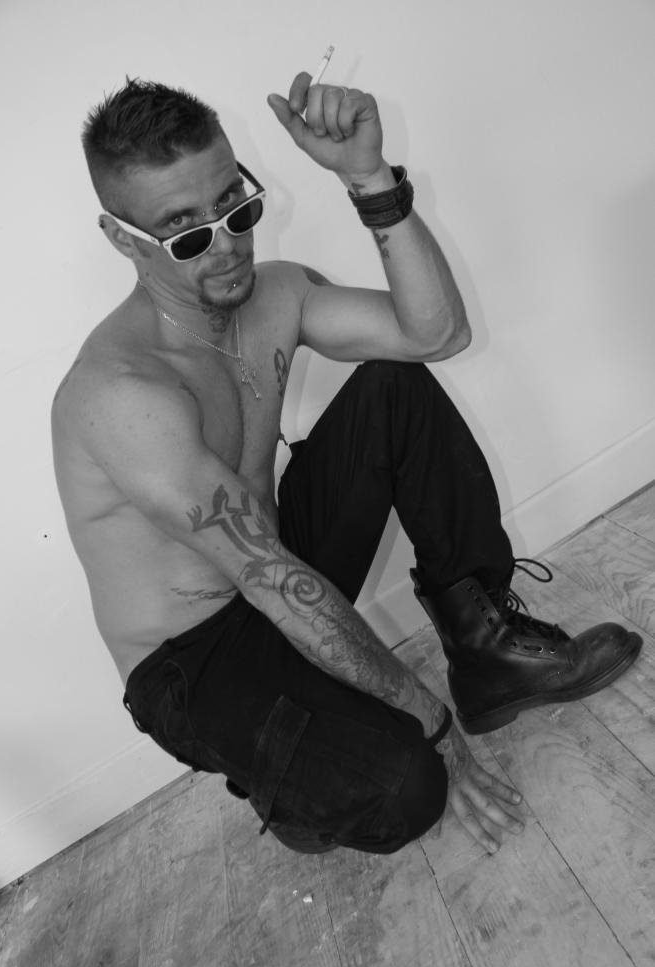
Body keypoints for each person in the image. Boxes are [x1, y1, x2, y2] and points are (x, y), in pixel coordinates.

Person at [52, 72, 642, 858]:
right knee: (409, 787)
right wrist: (430, 725)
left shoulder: (275, 294)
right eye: (185, 234)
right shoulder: (123, 392)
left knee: (393, 386)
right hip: (197, 658)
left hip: (271, 562)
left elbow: (436, 335)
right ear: (124, 238)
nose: (227, 246)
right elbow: (269, 581)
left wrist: (369, 179)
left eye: (235, 207)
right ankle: (289, 782)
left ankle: (487, 653)